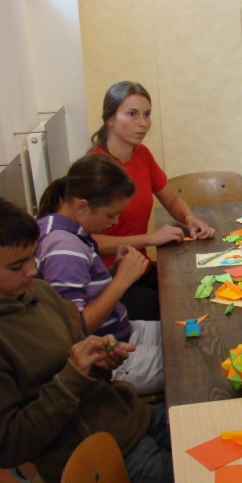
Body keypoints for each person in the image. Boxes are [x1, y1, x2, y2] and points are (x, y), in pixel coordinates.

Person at [0, 196, 177, 483]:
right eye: (16, 266)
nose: (32, 271)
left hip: (127, 421)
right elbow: (5, 446)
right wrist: (71, 377)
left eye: (32, 258)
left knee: (215, 444)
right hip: (92, 458)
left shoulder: (39, 293)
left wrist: (102, 361)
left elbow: (82, 364)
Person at [36, 153, 164, 395]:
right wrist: (122, 280)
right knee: (194, 364)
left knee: (188, 338)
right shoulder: (63, 247)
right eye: (110, 215)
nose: (115, 222)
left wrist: (113, 270)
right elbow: (74, 329)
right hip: (106, 359)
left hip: (122, 331)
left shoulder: (63, 227)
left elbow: (85, 289)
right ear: (82, 206)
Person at [91, 80, 215, 320]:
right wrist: (150, 239)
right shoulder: (97, 168)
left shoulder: (142, 154)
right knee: (178, 312)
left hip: (140, 265)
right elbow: (90, 241)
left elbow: (171, 199)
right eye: (132, 114)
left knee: (197, 294)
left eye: (147, 114)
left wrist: (190, 218)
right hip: (109, 276)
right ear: (110, 119)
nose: (143, 123)